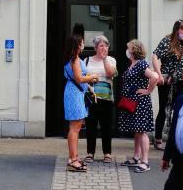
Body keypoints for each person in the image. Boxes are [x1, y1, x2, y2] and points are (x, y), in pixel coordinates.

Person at [152, 20, 183, 150]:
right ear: (177, 30)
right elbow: (155, 56)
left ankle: (175, 138)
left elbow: (180, 58)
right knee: (164, 109)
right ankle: (158, 139)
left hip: (179, 81)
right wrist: (159, 75)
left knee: (179, 109)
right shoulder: (167, 41)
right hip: (167, 80)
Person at [118, 39, 158, 173]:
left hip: (140, 102)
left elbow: (154, 77)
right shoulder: (133, 64)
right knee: (137, 131)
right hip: (132, 102)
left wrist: (148, 90)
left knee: (142, 131)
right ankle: (136, 157)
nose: (127, 51)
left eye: (129, 48)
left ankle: (145, 161)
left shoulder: (140, 64)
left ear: (134, 50)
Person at [63, 34, 99, 172]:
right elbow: (79, 78)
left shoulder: (75, 59)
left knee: (76, 127)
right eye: (82, 43)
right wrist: (93, 77)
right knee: (74, 127)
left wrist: (90, 88)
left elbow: (79, 79)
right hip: (74, 95)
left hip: (77, 93)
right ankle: (73, 160)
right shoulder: (75, 60)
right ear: (76, 46)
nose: (83, 45)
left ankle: (75, 157)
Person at [84, 35, 118, 164]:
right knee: (91, 126)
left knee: (106, 126)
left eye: (106, 45)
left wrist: (104, 60)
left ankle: (107, 153)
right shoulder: (87, 60)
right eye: (101, 46)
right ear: (96, 48)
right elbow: (82, 77)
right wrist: (90, 80)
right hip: (91, 98)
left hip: (106, 98)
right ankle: (90, 152)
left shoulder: (111, 60)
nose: (104, 48)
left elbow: (110, 74)